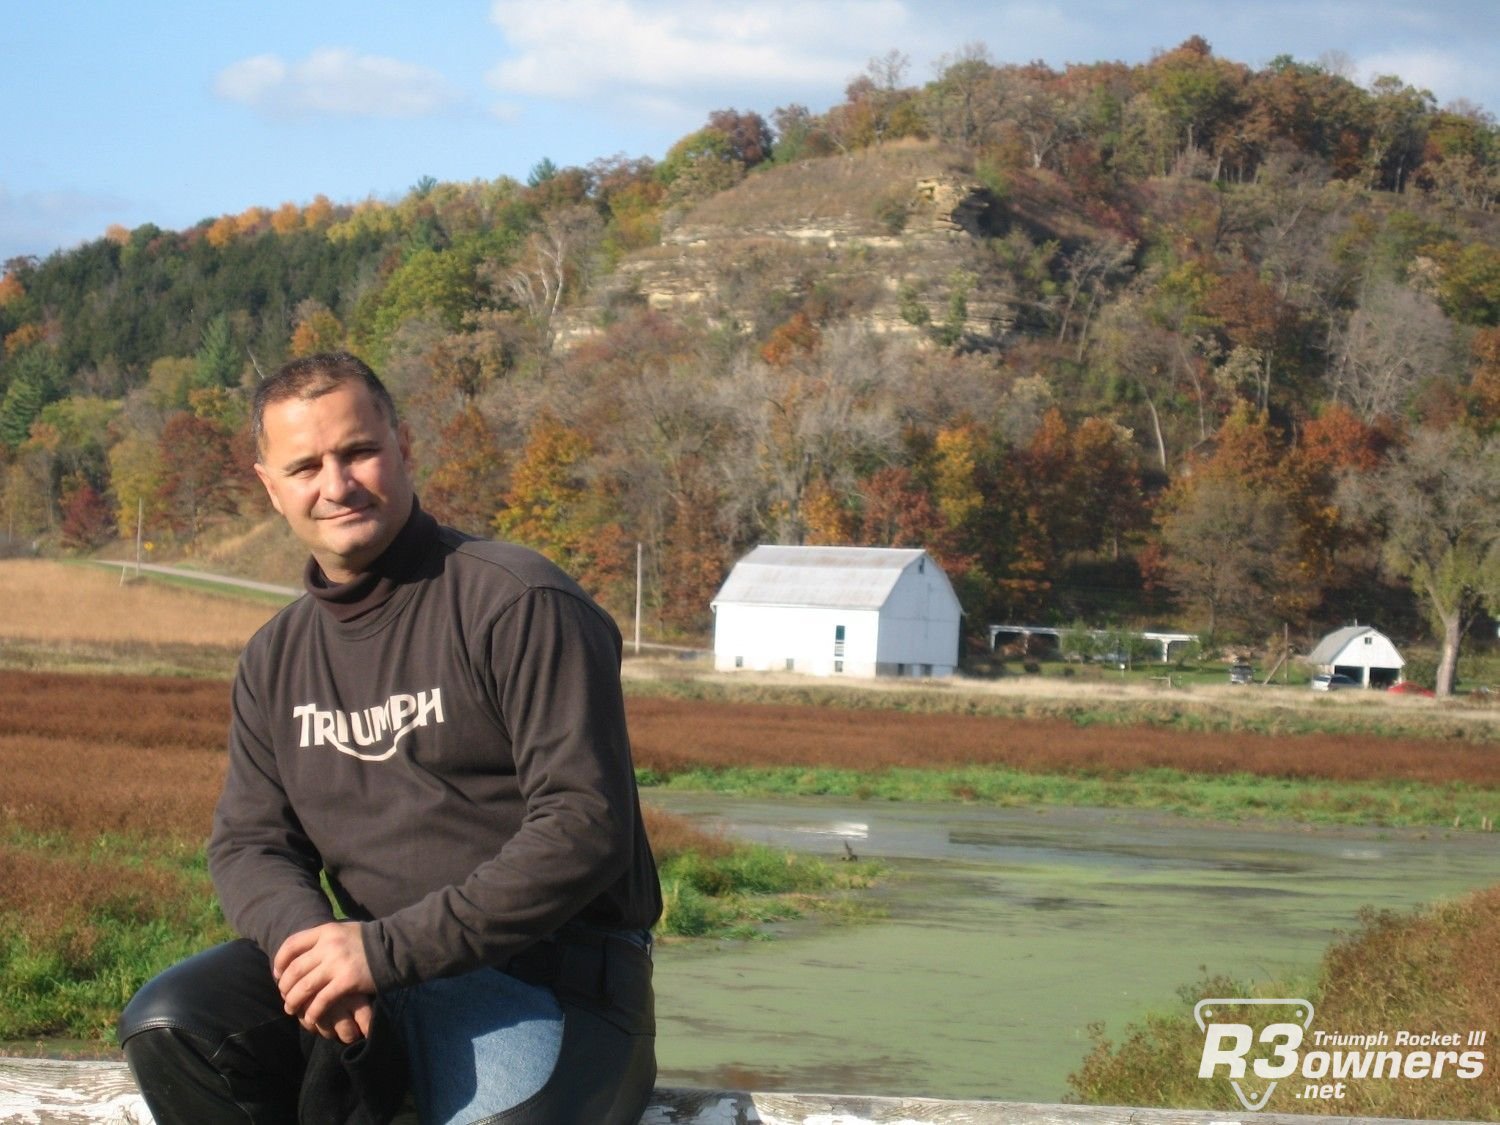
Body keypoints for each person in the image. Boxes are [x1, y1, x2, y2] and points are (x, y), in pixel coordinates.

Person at [118, 352, 662, 1125]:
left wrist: (382, 952)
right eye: (304, 465)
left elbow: (585, 825)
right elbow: (248, 843)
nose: (336, 485)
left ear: (404, 445)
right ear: (270, 486)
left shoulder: (517, 603)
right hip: (370, 973)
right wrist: (314, 949)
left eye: (358, 451)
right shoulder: (276, 657)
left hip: (549, 976)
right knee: (175, 1024)